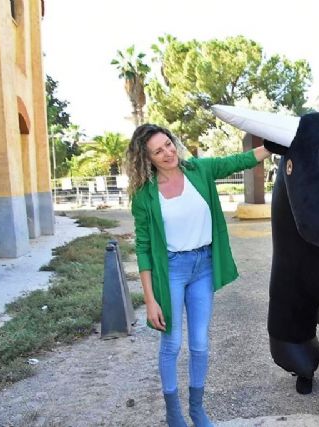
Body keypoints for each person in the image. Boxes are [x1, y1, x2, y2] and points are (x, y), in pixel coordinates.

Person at [126, 123, 270, 427]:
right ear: (147, 158)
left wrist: (276, 145)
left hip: (202, 266)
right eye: (158, 151)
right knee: (172, 343)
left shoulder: (199, 170)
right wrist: (150, 300)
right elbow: (143, 249)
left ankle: (197, 409)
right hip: (172, 270)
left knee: (200, 343)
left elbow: (238, 160)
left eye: (168, 144)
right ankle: (174, 413)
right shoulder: (145, 196)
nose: (168, 153)